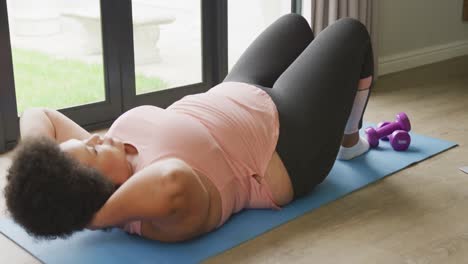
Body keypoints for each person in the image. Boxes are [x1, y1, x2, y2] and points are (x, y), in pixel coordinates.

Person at [4, 14, 374, 242]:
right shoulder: (157, 217)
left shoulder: (108, 157)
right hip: (285, 139)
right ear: (102, 194)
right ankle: (350, 140)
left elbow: (41, 115)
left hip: (235, 89)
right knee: (350, 32)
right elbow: (174, 179)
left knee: (294, 26)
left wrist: (38, 171)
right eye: (94, 150)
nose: (95, 137)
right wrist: (94, 218)